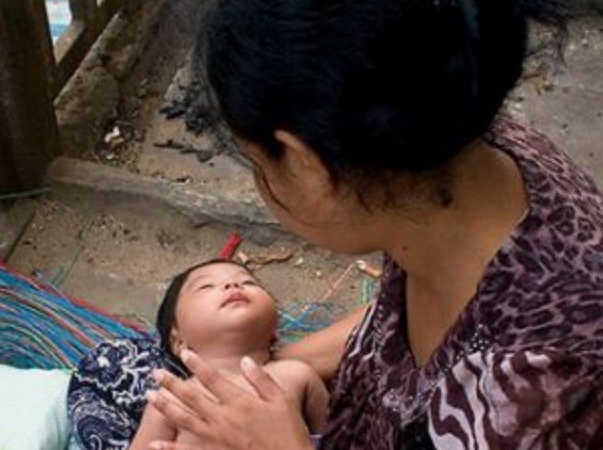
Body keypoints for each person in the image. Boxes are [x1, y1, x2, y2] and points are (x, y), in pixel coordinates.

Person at [142, 0, 603, 449]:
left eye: (258, 164)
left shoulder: (539, 391)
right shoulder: (447, 152)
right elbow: (417, 327)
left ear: (307, 166)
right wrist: (263, 367)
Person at [129, 260, 328, 450]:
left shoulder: (298, 375)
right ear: (177, 339)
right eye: (206, 286)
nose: (232, 284)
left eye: (248, 282)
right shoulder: (170, 402)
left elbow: (336, 438)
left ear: (274, 331)